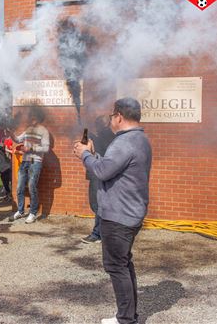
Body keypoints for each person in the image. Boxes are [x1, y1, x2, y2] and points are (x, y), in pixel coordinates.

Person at [73, 97, 152, 324]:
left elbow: (103, 172)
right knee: (124, 263)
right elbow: (113, 168)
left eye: (111, 116)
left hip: (119, 215)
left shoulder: (124, 142)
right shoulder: (140, 139)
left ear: (118, 116)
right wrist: (95, 156)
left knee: (116, 266)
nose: (110, 120)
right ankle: (128, 315)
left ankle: (126, 319)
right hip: (129, 212)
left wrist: (85, 155)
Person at [10, 108, 50, 224]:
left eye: (34, 116)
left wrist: (31, 148)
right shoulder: (28, 130)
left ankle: (32, 212)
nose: (31, 118)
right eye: (31, 116)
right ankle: (20, 211)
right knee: (19, 187)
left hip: (35, 161)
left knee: (32, 187)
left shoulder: (44, 131)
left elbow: (46, 148)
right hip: (25, 161)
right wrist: (11, 134)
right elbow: (18, 139)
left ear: (38, 118)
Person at [81, 115, 115, 244]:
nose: (96, 127)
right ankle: (100, 233)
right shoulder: (108, 136)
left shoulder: (106, 136)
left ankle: (97, 234)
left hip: (99, 173)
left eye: (97, 124)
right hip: (100, 173)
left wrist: (90, 140)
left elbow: (98, 152)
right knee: (98, 204)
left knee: (97, 204)